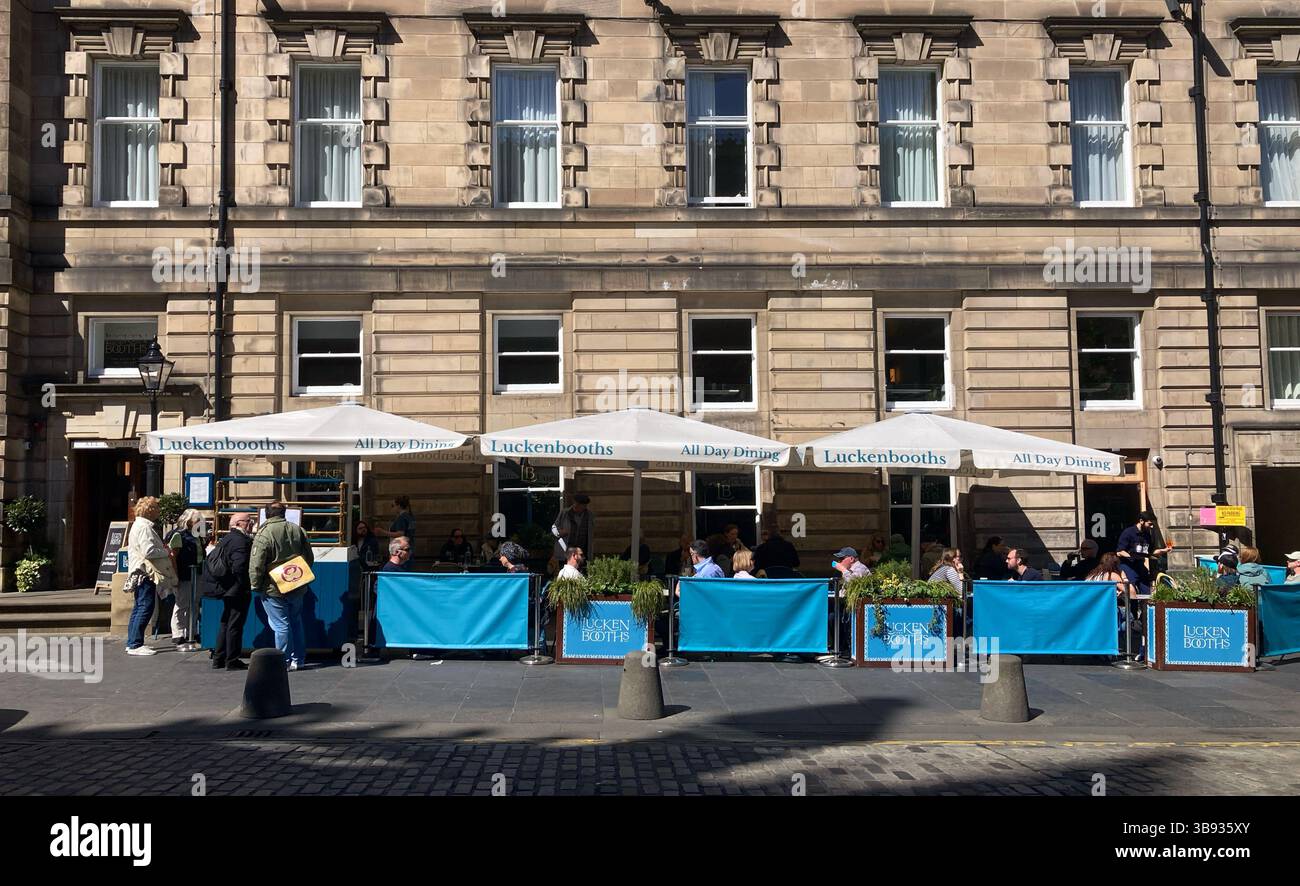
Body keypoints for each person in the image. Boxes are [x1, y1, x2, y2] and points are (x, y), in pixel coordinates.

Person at [249, 501, 315, 671]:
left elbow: (257, 564)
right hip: (297, 584)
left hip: (273, 587)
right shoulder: (297, 529)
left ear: (267, 514)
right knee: (296, 621)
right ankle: (298, 659)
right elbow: (309, 557)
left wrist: (256, 585)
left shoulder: (264, 533)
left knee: (280, 625)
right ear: (284, 513)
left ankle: (283, 661)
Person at [124, 496, 178, 657]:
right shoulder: (144, 527)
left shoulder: (139, 525)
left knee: (140, 607)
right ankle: (135, 644)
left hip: (139, 571)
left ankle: (133, 642)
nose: (159, 511)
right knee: (144, 607)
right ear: (150, 510)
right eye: (156, 508)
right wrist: (166, 551)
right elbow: (149, 551)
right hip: (145, 572)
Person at [202, 512, 254, 671]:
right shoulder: (240, 541)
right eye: (249, 521)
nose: (251, 524)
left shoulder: (228, 538)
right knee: (235, 624)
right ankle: (232, 659)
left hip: (227, 588)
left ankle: (219, 658)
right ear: (239, 523)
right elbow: (239, 566)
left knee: (226, 622)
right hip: (236, 589)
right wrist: (243, 584)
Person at [164, 508, 206, 650]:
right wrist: (175, 575)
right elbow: (173, 556)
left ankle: (191, 631)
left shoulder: (197, 535)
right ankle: (178, 632)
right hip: (184, 574)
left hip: (197, 573)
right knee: (182, 603)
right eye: (197, 520)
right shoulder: (179, 535)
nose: (200, 523)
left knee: (194, 603)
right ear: (189, 521)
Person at [1116, 512, 1171, 595]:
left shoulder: (1147, 535)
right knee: (1132, 590)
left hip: (1140, 565)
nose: (1151, 526)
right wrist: (1132, 555)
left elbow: (1150, 552)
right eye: (1150, 524)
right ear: (1141, 521)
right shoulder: (1128, 532)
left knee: (1146, 590)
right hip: (1128, 566)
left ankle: (1145, 607)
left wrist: (1163, 550)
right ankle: (1132, 608)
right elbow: (1119, 552)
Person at [552, 494, 594, 562]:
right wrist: (559, 533)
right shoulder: (565, 513)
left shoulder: (589, 515)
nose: (577, 506)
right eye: (576, 504)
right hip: (565, 551)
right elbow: (554, 527)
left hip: (582, 553)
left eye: (581, 505)